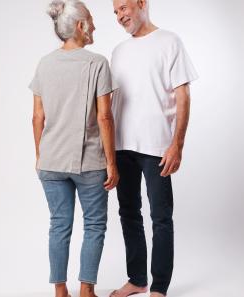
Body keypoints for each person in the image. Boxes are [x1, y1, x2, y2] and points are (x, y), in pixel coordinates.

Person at [29, 1, 119, 297]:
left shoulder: (45, 63)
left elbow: (37, 117)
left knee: (59, 225)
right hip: (89, 162)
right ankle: (86, 290)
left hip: (51, 161)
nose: (93, 26)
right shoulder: (97, 63)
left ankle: (59, 291)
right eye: (90, 20)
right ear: (80, 26)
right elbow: (105, 116)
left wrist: (41, 156)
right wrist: (112, 163)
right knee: (94, 225)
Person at [110, 0, 198, 296]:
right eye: (115, 12)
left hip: (157, 146)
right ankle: (137, 279)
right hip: (122, 146)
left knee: (161, 217)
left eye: (123, 7)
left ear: (142, 3)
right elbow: (112, 103)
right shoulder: (118, 51)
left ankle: (159, 287)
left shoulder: (169, 41)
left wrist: (177, 144)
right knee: (128, 212)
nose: (120, 15)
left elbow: (183, 95)